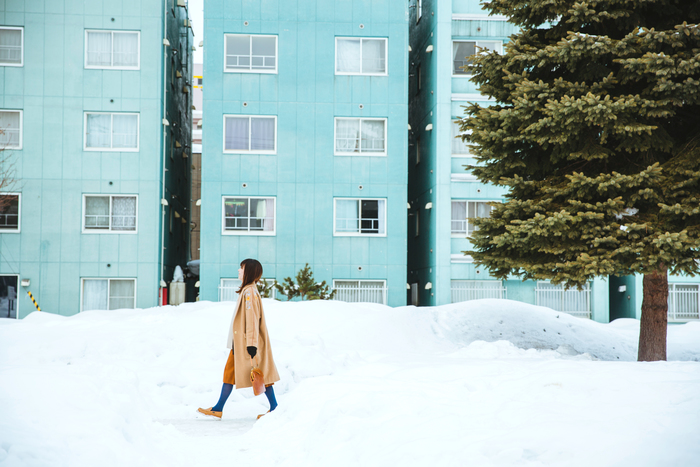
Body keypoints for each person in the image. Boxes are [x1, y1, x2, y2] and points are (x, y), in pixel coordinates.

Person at [198, 259, 280, 419]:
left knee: (261, 374)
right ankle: (218, 408)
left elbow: (251, 319)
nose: (238, 270)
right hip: (241, 344)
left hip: (247, 344)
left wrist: (251, 344)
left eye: (241, 268)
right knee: (231, 373)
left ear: (248, 271)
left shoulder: (249, 293)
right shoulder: (248, 291)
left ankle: (275, 408)